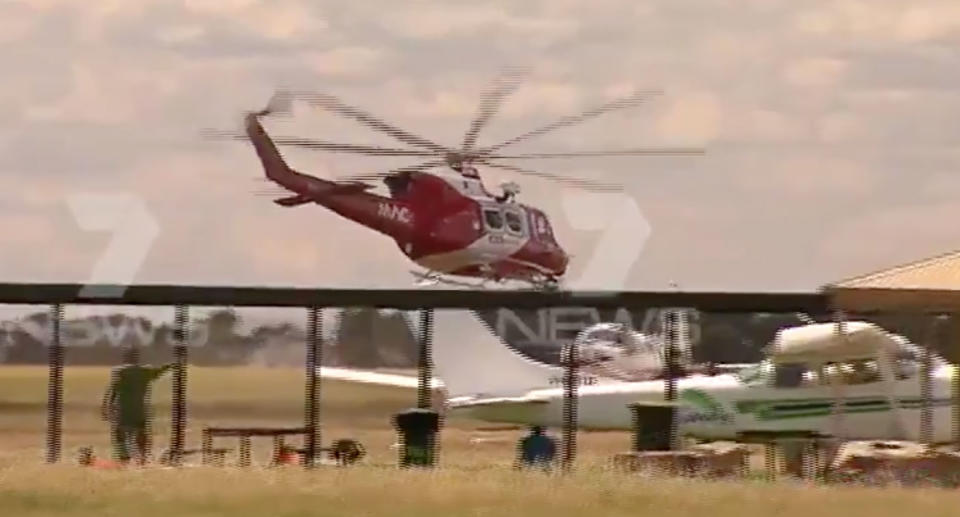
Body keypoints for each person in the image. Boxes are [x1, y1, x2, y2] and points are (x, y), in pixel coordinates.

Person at [100, 347, 174, 465]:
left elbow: (112, 390)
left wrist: (106, 407)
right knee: (141, 434)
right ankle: (143, 458)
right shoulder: (145, 372)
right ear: (137, 358)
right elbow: (160, 371)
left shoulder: (119, 371)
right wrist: (172, 365)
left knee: (120, 435)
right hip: (139, 410)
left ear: (125, 358)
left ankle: (124, 458)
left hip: (123, 410)